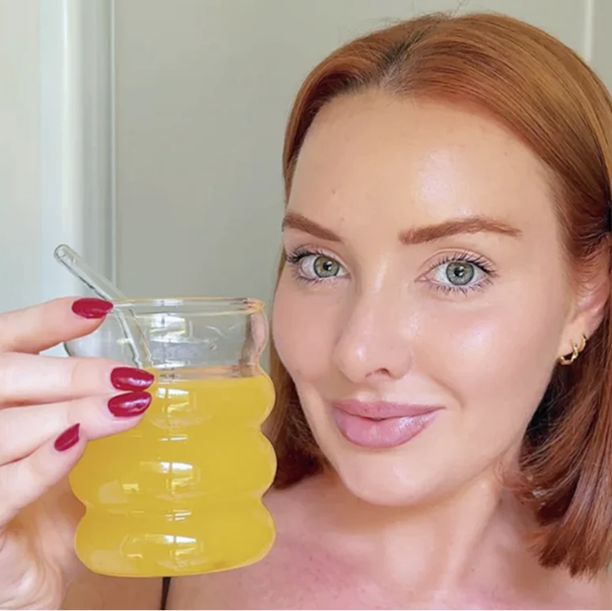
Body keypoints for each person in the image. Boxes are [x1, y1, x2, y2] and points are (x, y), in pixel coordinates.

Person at [2, 10, 612, 611]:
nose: (358, 351)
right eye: (321, 264)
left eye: (459, 271)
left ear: (588, 297)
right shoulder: (144, 548)